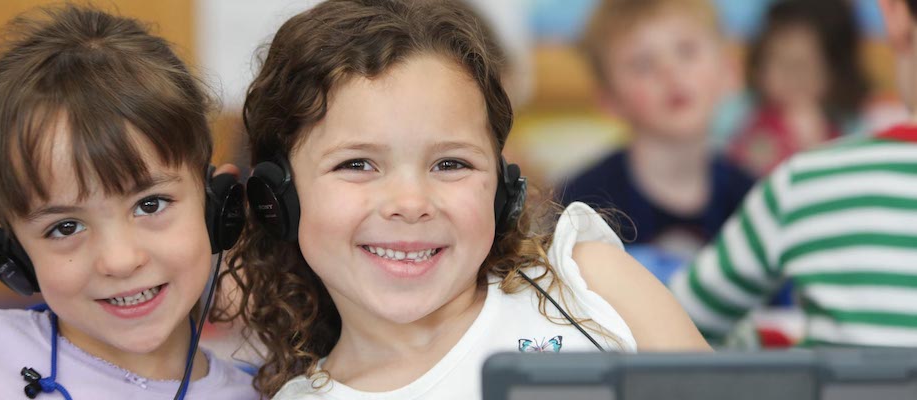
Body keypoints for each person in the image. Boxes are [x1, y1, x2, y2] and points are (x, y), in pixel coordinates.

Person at [217, 0, 710, 398]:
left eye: (450, 164)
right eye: (357, 164)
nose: (410, 203)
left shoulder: (590, 283)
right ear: (276, 200)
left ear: (503, 190)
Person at [0, 5, 258, 399]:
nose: (119, 261)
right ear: (12, 257)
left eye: (150, 204)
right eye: (65, 227)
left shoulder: (257, 393)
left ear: (219, 207)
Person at [670, 0, 917, 347]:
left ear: (893, 15)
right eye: (781, 64)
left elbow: (676, 318)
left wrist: (767, 343)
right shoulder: (738, 117)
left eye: (804, 67)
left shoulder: (807, 178)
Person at [558, 0, 755, 274]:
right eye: (643, 64)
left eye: (687, 51)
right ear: (610, 100)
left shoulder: (754, 200)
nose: (670, 72)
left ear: (729, 72)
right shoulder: (582, 205)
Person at [727, 0, 870, 177]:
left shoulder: (850, 127)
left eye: (803, 66)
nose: (792, 77)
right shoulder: (744, 115)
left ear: (831, 73)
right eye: (781, 62)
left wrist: (813, 139)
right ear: (759, 67)